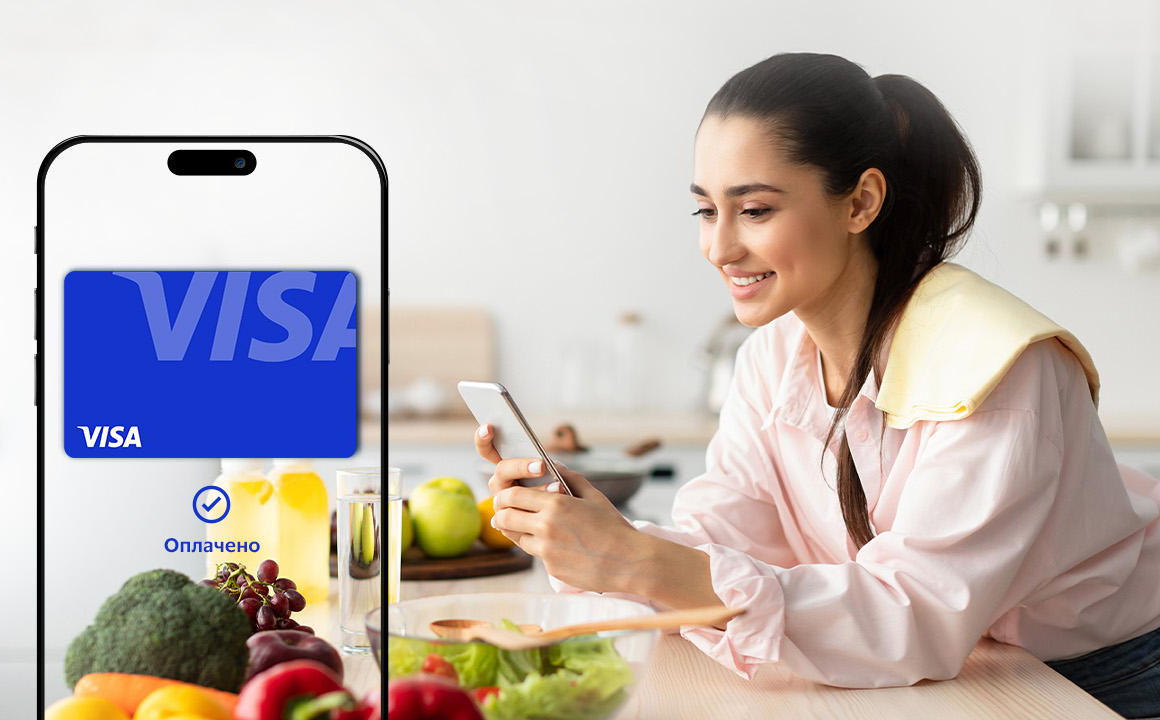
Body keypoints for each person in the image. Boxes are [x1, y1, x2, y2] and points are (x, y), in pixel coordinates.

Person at [480, 52, 1160, 718]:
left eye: (754, 210)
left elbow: (915, 614)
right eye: (705, 212)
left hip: (1109, 674)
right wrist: (599, 537)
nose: (719, 248)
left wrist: (643, 564)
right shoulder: (771, 358)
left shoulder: (995, 367)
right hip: (977, 663)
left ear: (861, 202)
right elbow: (731, 536)